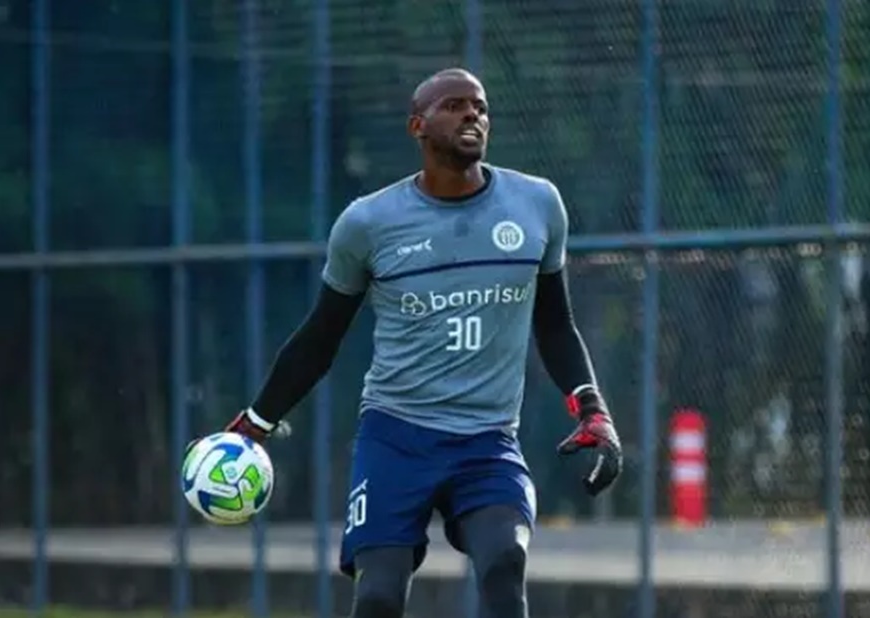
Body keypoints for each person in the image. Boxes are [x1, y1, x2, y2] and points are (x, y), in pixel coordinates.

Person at [204, 67, 623, 618]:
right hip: (396, 438)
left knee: (504, 561)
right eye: (454, 105)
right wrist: (258, 421)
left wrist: (592, 408)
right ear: (417, 126)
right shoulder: (368, 223)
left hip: (488, 441)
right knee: (377, 596)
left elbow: (555, 324)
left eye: (480, 106)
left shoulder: (538, 205)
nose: (472, 114)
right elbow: (320, 337)